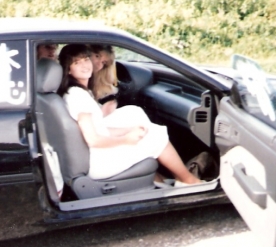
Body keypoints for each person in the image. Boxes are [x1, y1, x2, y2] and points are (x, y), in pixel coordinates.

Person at [57, 44, 201, 186]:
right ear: (68, 69)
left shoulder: (76, 92)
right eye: (77, 62)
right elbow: (93, 140)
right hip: (99, 162)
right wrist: (126, 139)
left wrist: (129, 130)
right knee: (156, 136)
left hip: (96, 155)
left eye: (86, 59)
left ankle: (168, 178)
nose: (85, 65)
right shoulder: (78, 96)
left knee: (139, 118)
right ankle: (188, 181)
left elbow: (99, 128)